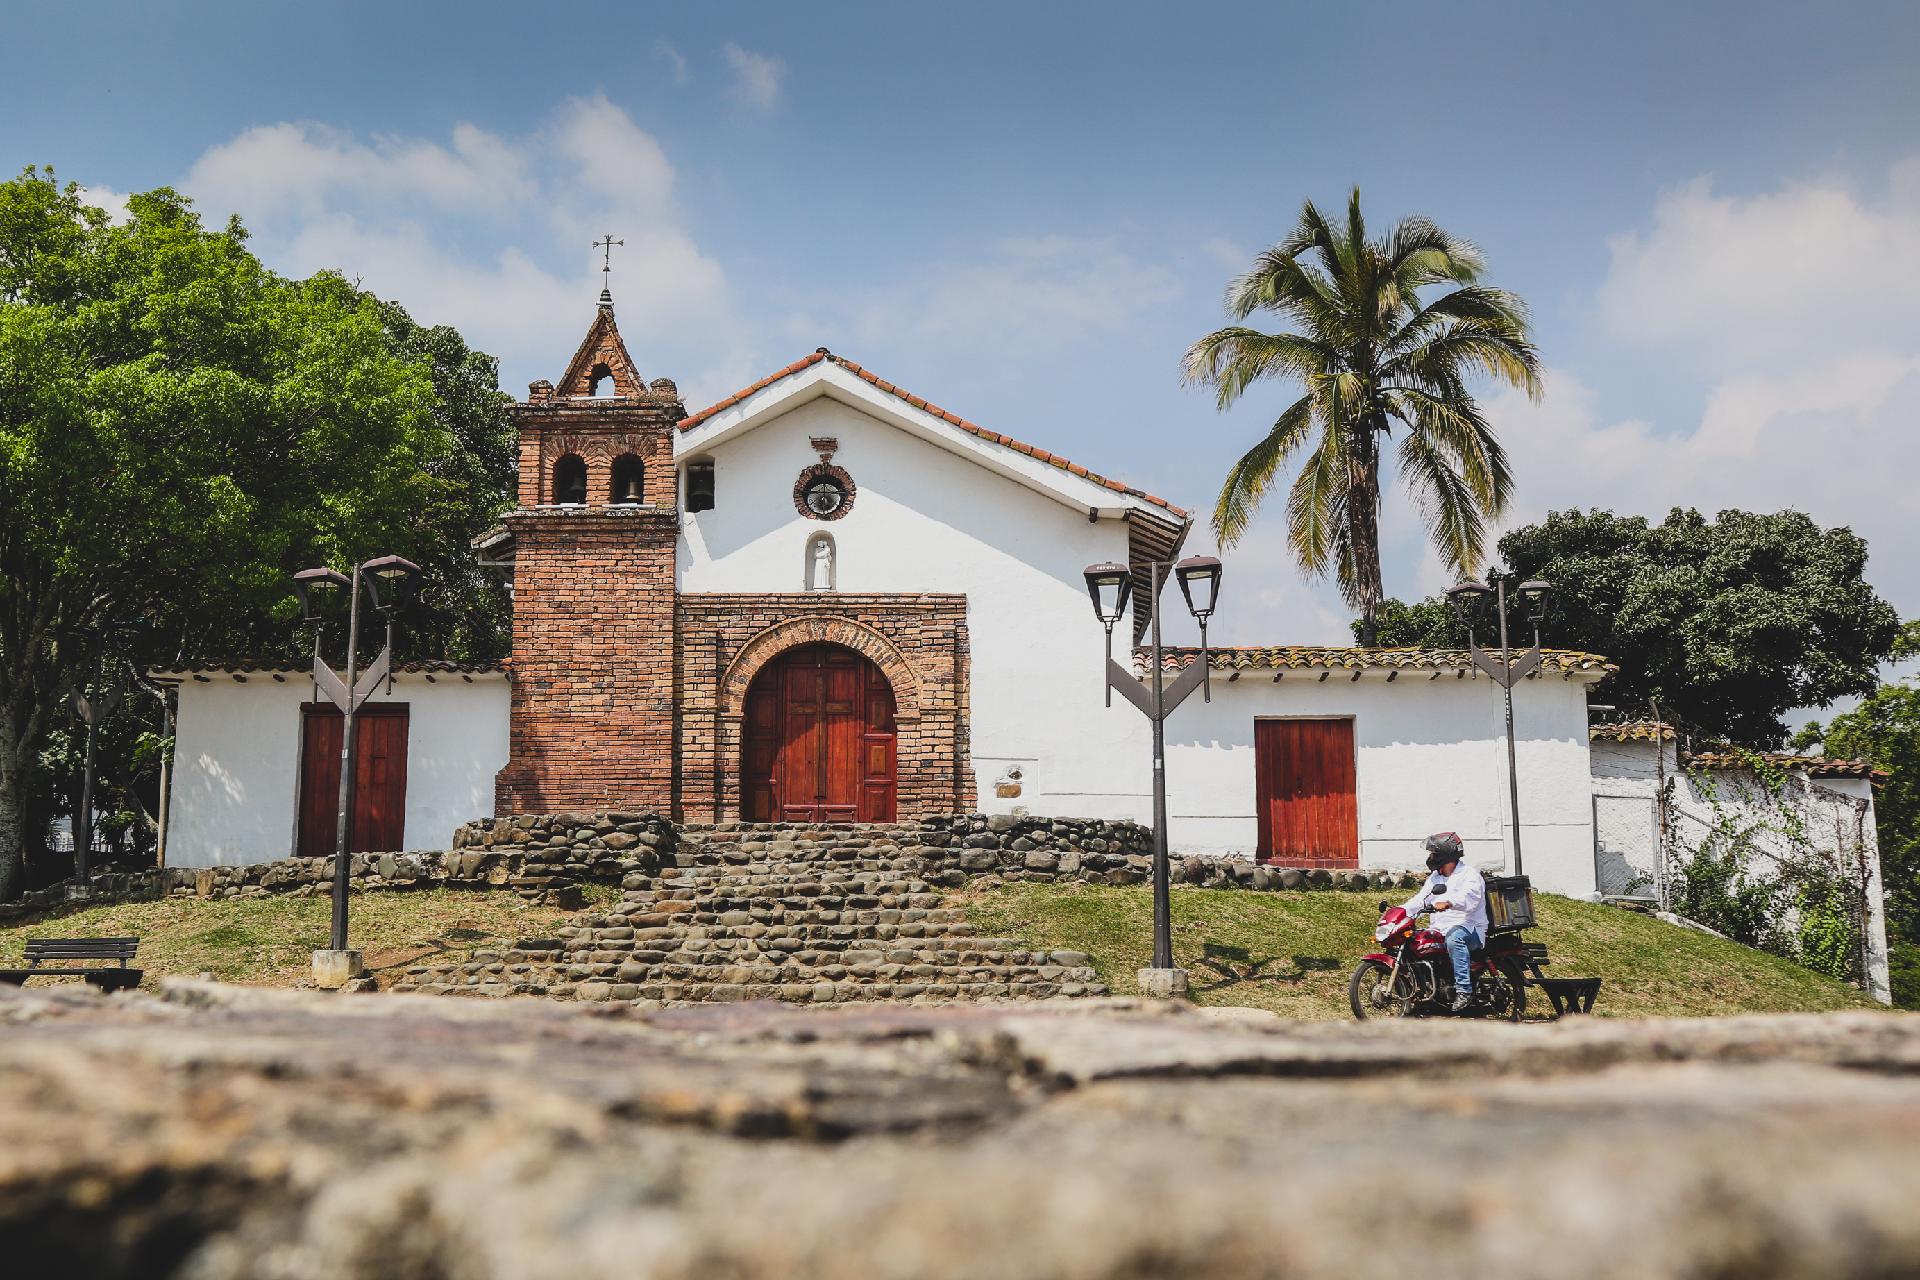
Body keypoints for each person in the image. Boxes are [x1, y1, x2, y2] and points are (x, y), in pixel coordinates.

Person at [1401, 832, 1488, 1012]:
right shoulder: (1436, 877)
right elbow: (1421, 899)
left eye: (1434, 853)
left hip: (1469, 927)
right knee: (1414, 942)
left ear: (1446, 855)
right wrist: (1401, 911)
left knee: (1454, 939)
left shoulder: (1469, 875)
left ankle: (1464, 990)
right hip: (1440, 928)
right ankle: (1422, 992)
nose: (1431, 857)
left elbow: (1470, 898)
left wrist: (1449, 902)